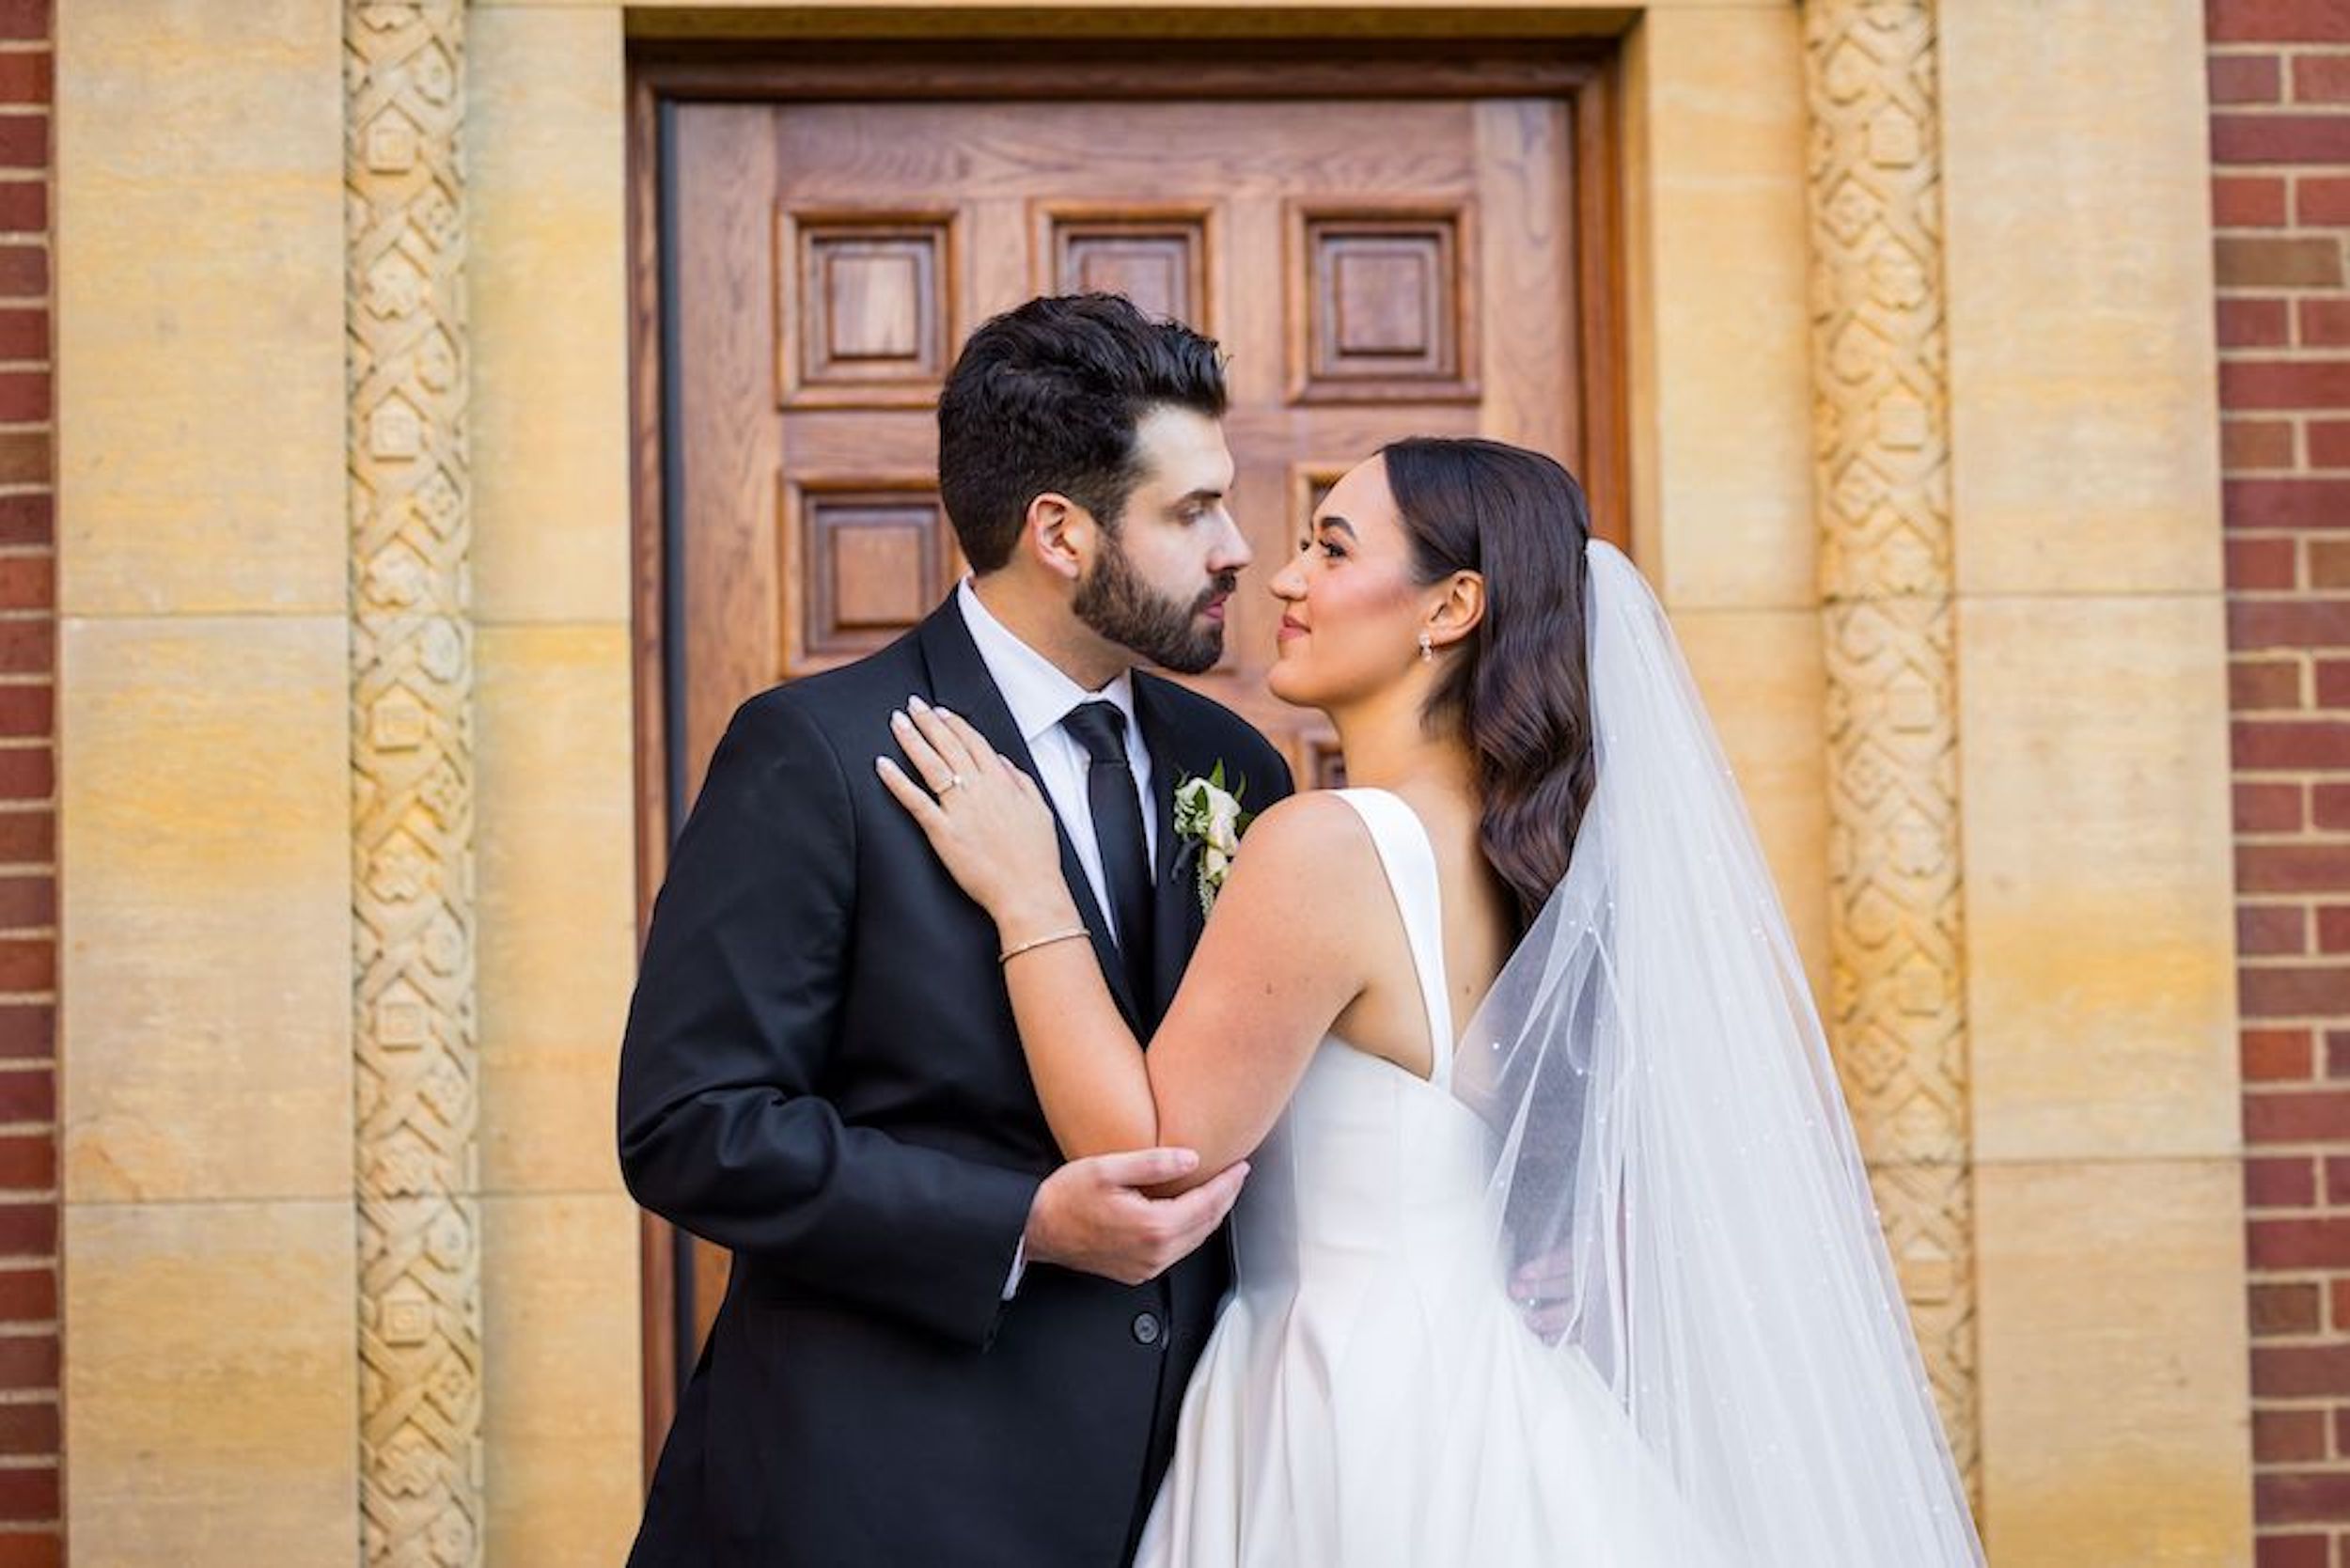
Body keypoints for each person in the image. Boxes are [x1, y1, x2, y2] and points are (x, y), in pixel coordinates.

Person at [881, 436, 1988, 1565]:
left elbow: (1149, 1155)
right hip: (1493, 1400)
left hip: (1347, 1412)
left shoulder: (1326, 845)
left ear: (1451, 605)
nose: (1284, 577)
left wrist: (1028, 890)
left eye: (1332, 546)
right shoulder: (1533, 864)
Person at [616, 293, 1292, 1566]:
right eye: (1193, 510)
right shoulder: (816, 752)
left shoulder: (1236, 767)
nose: (1239, 549)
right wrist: (1023, 1223)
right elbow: (692, 1125)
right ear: (1060, 534)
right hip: (878, 1497)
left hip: (1185, 1499)